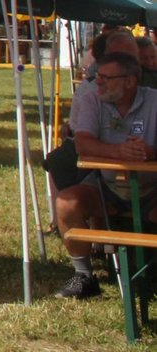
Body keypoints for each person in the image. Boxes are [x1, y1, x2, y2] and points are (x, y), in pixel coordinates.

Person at [54, 51, 157, 299]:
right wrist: (120, 152)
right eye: (98, 76)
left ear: (129, 81)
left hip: (153, 188)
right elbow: (82, 143)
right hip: (106, 187)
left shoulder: (154, 101)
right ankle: (84, 276)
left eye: (106, 78)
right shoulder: (93, 99)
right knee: (67, 203)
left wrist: (151, 152)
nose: (98, 81)